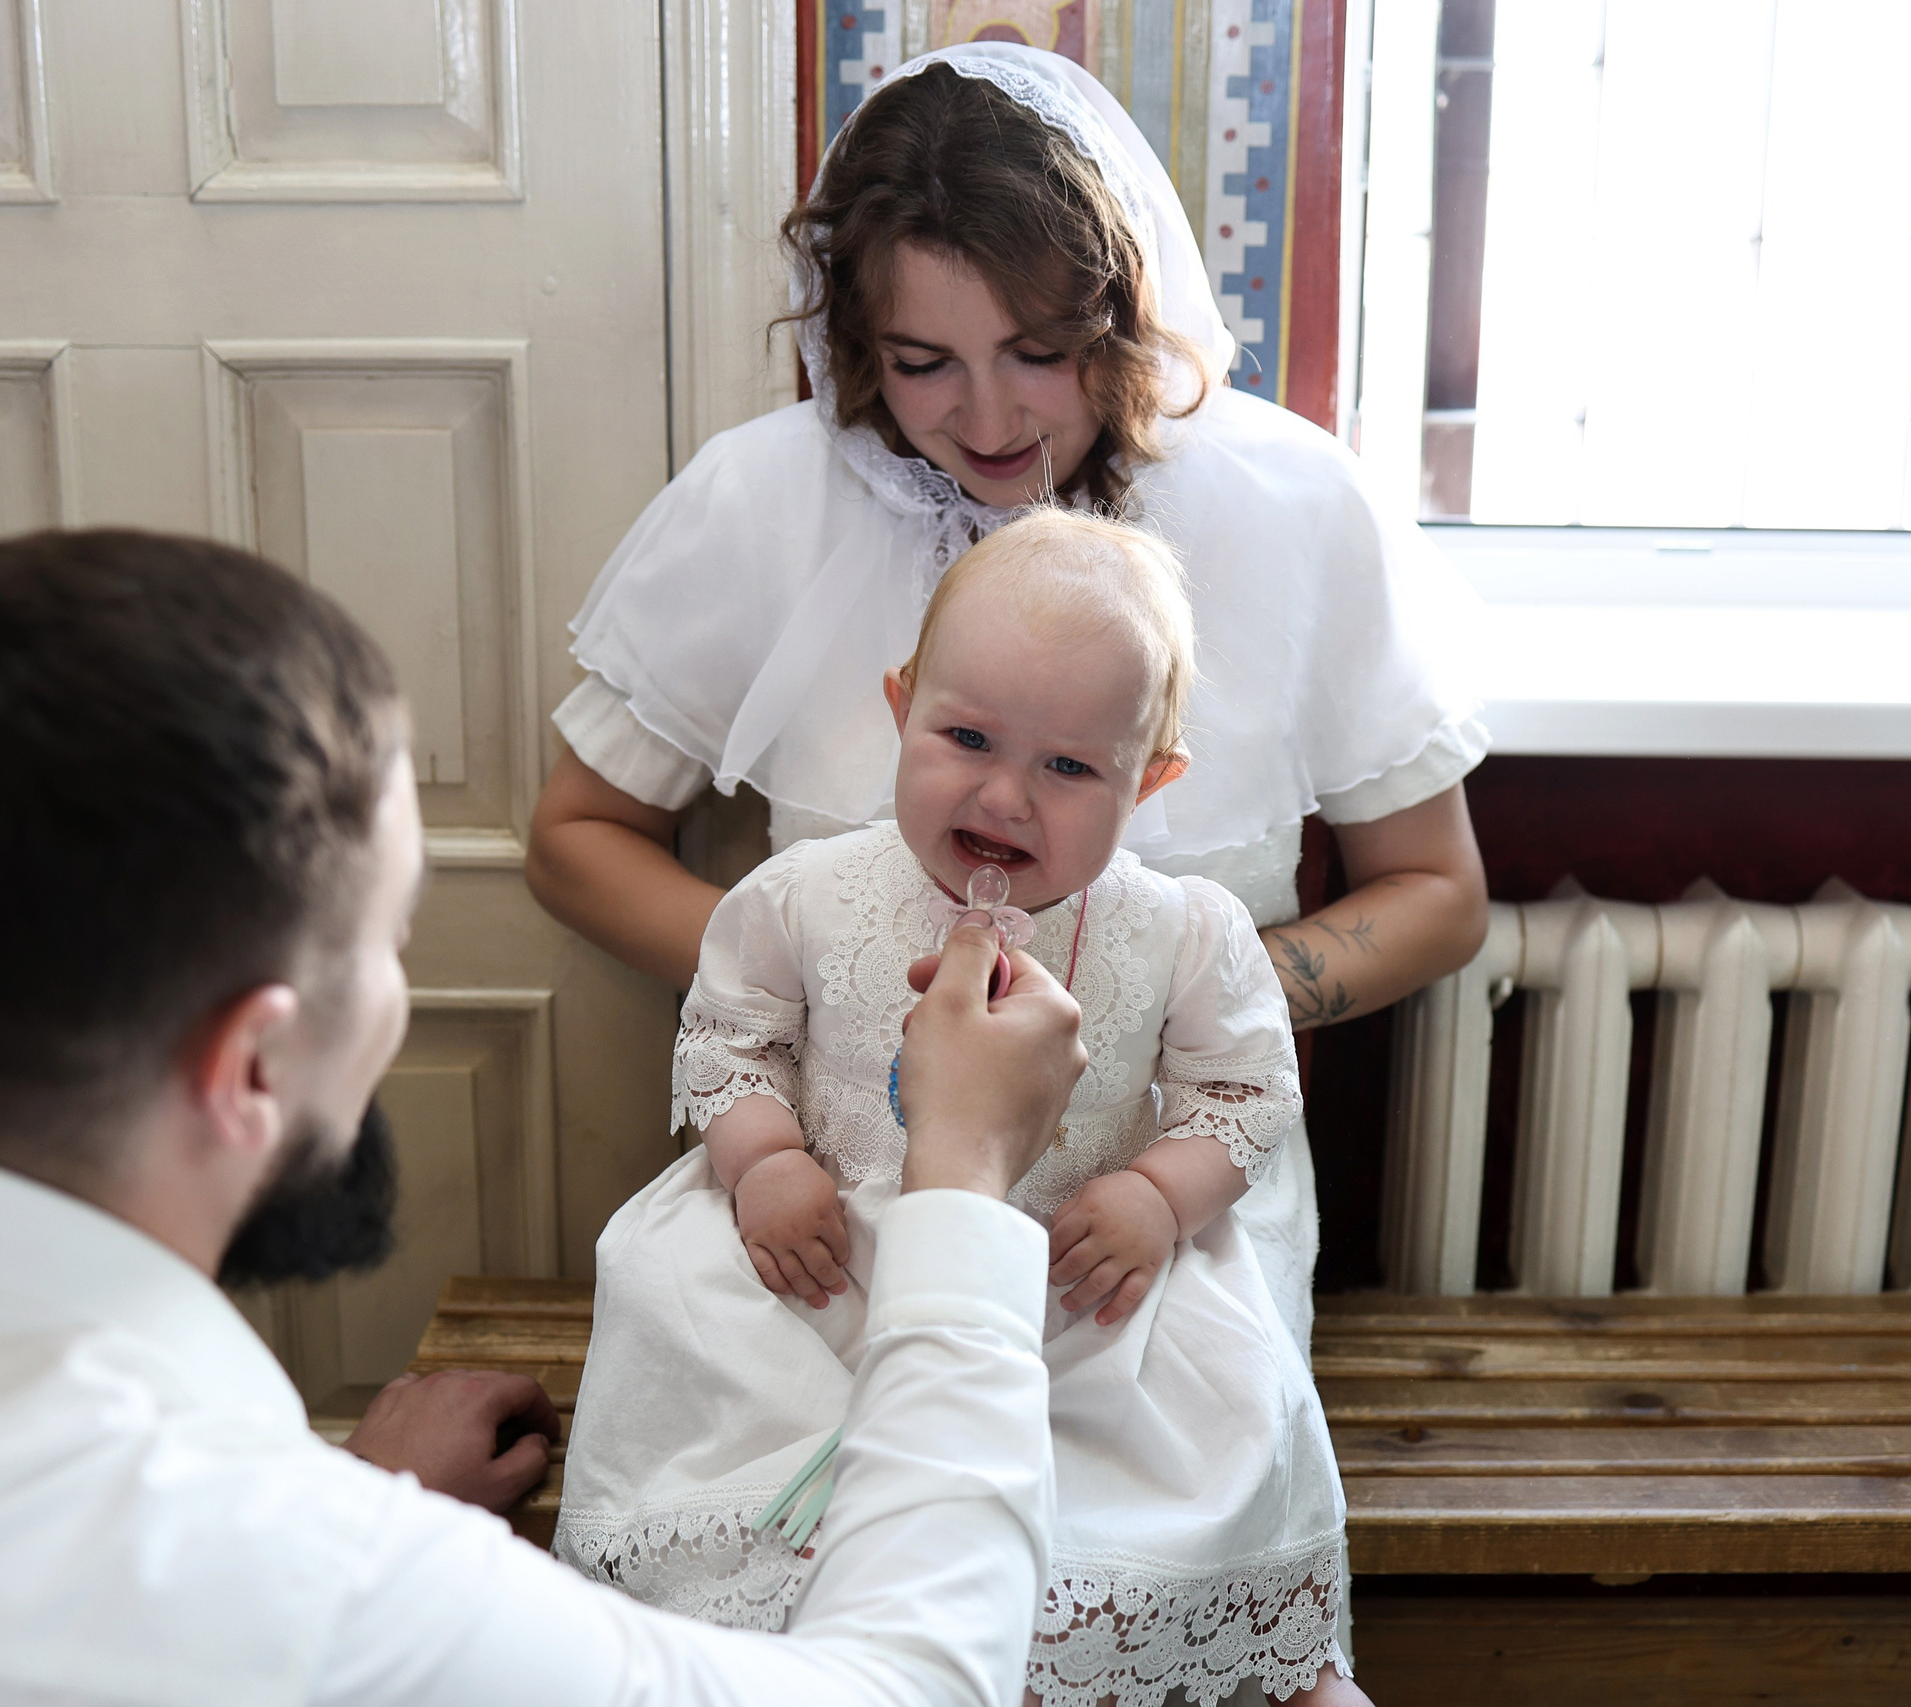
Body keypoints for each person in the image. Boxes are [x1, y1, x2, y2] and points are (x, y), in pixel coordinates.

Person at [0, 529, 1093, 1707]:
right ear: (251, 1064)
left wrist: (348, 1488)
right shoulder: (325, 1597)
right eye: (385, 944)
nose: (398, 999)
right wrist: (962, 1171)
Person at [528, 42, 1491, 1354]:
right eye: (923, 361)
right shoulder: (760, 502)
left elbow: (1438, 894)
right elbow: (575, 841)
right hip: (830, 1202)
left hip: (1157, 1222)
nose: (987, 417)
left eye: (1038, 351)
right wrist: (814, 979)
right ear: (857, 340)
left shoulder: (1299, 504)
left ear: (1119, 310)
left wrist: (1175, 1000)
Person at [555, 511, 1365, 1707]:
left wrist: (1155, 1191)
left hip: (1074, 1283)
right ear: (901, 705)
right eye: (967, 737)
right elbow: (731, 1039)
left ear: (1149, 781)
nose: (1004, 795)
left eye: (1069, 767)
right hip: (825, 1263)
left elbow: (1242, 1094)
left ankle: (1238, 1653)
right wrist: (765, 1156)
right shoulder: (806, 899)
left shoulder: (1181, 933)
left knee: (1207, 1436)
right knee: (713, 1355)